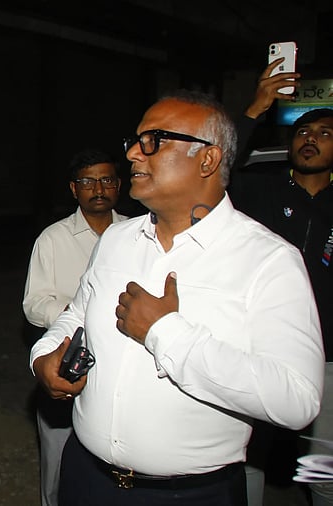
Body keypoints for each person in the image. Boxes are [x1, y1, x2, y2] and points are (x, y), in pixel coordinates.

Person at [30, 90, 323, 506]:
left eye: (154, 141)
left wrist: (166, 332)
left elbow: (297, 400)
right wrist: (43, 357)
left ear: (207, 159)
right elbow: (75, 313)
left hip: (190, 495)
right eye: (134, 141)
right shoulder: (116, 239)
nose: (133, 154)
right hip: (87, 478)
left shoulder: (268, 260)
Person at [231, 70, 332, 503]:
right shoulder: (260, 191)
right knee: (247, 457)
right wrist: (254, 109)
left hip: (327, 359)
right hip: (255, 347)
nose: (310, 139)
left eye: (325, 133)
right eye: (302, 132)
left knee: (324, 464)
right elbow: (214, 164)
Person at [22, 148, 127, 506]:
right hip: (68, 361)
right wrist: (78, 313)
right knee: (58, 463)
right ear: (74, 188)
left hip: (121, 366)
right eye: (88, 181)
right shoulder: (52, 239)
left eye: (106, 179)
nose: (98, 188)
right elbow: (34, 304)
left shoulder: (136, 234)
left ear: (118, 185)